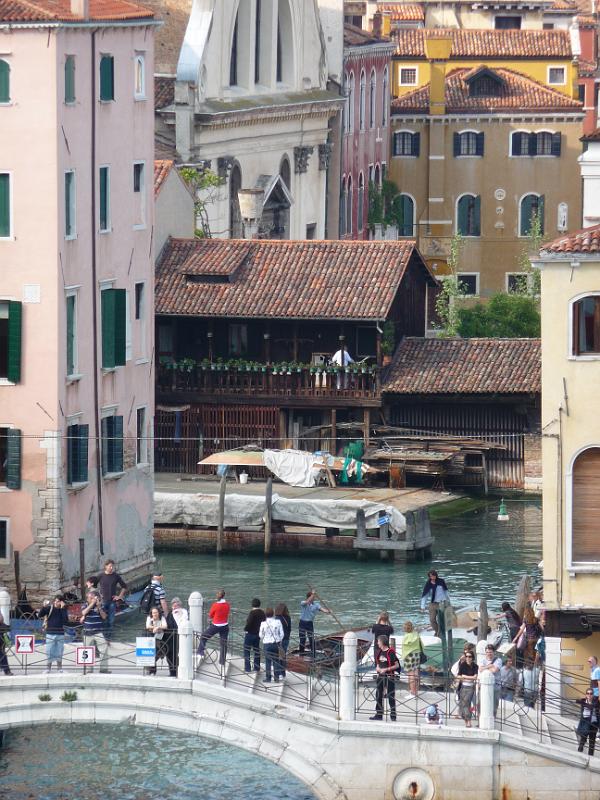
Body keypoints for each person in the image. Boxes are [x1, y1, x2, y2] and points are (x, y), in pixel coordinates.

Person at [370, 635, 400, 721]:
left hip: (389, 676)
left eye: (378, 641)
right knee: (378, 695)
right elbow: (378, 665)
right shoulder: (379, 652)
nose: (377, 643)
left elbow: (396, 665)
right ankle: (379, 714)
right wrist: (379, 669)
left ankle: (393, 715)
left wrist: (386, 669)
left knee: (391, 696)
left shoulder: (390, 652)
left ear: (382, 642)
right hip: (381, 677)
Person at [197, 589, 230, 666]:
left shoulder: (215, 605)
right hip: (225, 626)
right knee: (223, 644)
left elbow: (211, 615)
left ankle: (200, 652)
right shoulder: (227, 605)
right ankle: (222, 662)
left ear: (218, 596)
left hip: (216, 625)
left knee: (203, 636)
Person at [96, 559, 128, 639]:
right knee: (103, 620)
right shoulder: (100, 576)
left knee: (111, 620)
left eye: (112, 566)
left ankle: (109, 637)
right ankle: (103, 636)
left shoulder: (116, 576)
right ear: (105, 566)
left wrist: (119, 596)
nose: (111, 568)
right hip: (103, 601)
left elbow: (124, 586)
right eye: (110, 566)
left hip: (112, 602)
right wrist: (98, 595)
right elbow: (94, 585)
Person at [80, 589, 109, 673]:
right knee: (88, 651)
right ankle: (89, 670)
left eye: (91, 598)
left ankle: (103, 669)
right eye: (89, 598)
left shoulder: (100, 605)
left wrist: (99, 607)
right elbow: (84, 612)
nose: (88, 599)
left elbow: (104, 617)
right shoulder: (85, 605)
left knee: (104, 650)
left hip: (98, 632)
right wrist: (92, 604)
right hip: (87, 632)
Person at [38, 595, 69, 673]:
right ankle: (48, 668)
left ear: (62, 602)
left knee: (59, 651)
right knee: (49, 650)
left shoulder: (63, 609)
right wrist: (43, 607)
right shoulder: (50, 608)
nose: (56, 602)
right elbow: (40, 615)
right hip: (50, 632)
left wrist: (62, 609)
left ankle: (59, 668)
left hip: (60, 633)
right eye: (55, 600)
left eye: (58, 601)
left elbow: (65, 621)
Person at [299, 591, 330, 657]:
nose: (314, 598)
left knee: (311, 639)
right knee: (302, 639)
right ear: (308, 597)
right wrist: (312, 594)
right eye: (313, 597)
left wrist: (327, 611)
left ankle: (313, 654)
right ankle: (301, 654)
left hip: (310, 623)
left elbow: (322, 609)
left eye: (314, 597)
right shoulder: (303, 603)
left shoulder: (316, 604)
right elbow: (307, 602)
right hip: (302, 623)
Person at [419, 570, 450, 637]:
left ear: (436, 575)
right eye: (431, 576)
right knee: (432, 619)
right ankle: (437, 631)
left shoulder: (441, 581)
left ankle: (439, 634)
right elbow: (425, 596)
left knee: (440, 619)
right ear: (429, 577)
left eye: (434, 575)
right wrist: (422, 606)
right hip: (433, 603)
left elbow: (446, 591)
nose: (433, 577)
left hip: (442, 603)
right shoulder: (428, 584)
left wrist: (448, 602)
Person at [259, 608, 284, 684]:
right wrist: (279, 640)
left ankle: (268, 678)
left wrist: (264, 638)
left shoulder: (263, 623)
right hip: (276, 643)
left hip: (267, 644)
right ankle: (276, 678)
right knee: (276, 661)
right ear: (273, 614)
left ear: (265, 614)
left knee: (268, 661)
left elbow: (260, 635)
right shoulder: (278, 622)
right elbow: (282, 634)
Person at [165, 597, 188, 677]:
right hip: (171, 639)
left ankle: (178, 672)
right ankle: (172, 672)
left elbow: (185, 622)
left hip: (181, 638)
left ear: (180, 606)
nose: (175, 607)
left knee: (179, 656)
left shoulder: (184, 613)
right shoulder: (170, 615)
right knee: (170, 655)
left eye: (177, 606)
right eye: (174, 606)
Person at [478, 644, 503, 715]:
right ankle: (481, 722)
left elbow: (494, 670)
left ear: (494, 652)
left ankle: (493, 720)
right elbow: (480, 669)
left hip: (495, 687)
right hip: (483, 686)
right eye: (487, 652)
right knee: (481, 704)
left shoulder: (498, 660)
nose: (489, 654)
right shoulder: (482, 660)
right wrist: (490, 666)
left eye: (490, 652)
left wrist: (485, 668)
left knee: (494, 705)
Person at [243, 598, 266, 673]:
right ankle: (256, 668)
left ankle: (247, 668)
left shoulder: (252, 613)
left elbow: (249, 623)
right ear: (259, 604)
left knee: (247, 651)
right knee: (256, 650)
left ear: (252, 604)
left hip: (250, 634)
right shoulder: (262, 613)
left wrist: (245, 629)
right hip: (258, 634)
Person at [457, 649, 478, 727]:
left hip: (470, 688)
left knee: (466, 703)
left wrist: (465, 676)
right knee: (462, 704)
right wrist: (469, 677)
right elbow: (459, 675)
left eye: (470, 656)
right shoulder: (462, 665)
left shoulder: (475, 666)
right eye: (467, 656)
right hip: (462, 687)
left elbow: (475, 677)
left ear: (472, 658)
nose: (468, 658)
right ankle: (466, 720)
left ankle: (469, 721)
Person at [401, 621, 422, 696]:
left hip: (409, 656)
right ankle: (416, 691)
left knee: (411, 675)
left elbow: (404, 647)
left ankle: (412, 693)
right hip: (416, 655)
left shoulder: (406, 636)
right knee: (416, 673)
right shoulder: (416, 634)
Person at [577, 689, 600, 756]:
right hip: (585, 724)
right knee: (582, 741)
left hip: (594, 724)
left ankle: (590, 757)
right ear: (586, 695)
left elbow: (594, 706)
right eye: (588, 693)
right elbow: (577, 701)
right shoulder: (583, 701)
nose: (589, 695)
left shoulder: (596, 702)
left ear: (593, 695)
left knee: (592, 743)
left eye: (591, 693)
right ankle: (579, 755)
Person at [145, 606, 168, 675]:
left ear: (159, 612)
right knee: (150, 654)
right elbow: (147, 626)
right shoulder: (149, 618)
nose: (154, 614)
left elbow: (165, 626)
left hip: (160, 640)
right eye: (153, 613)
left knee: (156, 654)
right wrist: (155, 628)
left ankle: (151, 670)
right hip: (150, 639)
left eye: (156, 612)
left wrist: (158, 627)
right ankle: (151, 671)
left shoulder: (162, 618)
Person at [274, 603, 291, 677]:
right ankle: (283, 673)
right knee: (283, 656)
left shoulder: (277, 618)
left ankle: (278, 673)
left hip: (279, 640)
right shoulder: (288, 618)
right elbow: (289, 629)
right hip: (286, 639)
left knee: (278, 656)